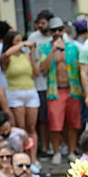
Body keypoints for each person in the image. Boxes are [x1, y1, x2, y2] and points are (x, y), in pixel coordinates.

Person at [0, 31, 40, 161]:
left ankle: (33, 158)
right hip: (15, 93)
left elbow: (37, 73)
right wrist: (23, 43)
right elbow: (7, 54)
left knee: (31, 127)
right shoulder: (6, 57)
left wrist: (32, 56)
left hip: (30, 91)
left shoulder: (25, 56)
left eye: (20, 41)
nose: (21, 44)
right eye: (17, 41)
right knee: (21, 128)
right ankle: (22, 157)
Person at [26, 10, 54, 158]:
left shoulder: (58, 36)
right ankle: (44, 147)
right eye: (40, 23)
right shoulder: (33, 38)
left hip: (56, 84)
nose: (41, 26)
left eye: (44, 22)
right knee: (42, 118)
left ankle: (58, 146)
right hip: (40, 84)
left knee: (54, 118)